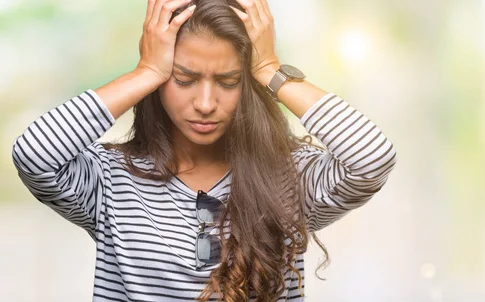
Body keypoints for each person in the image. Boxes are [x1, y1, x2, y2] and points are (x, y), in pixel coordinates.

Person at [11, 0, 397, 300]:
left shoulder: (291, 177)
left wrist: (270, 70)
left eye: (228, 81)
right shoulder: (109, 179)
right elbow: (33, 156)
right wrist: (145, 72)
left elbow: (373, 159)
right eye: (184, 79)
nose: (207, 103)